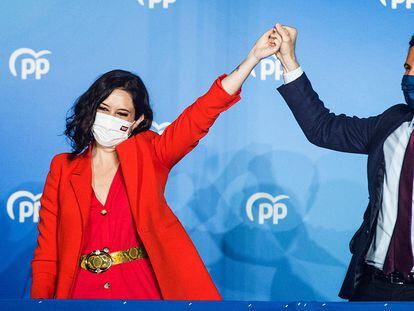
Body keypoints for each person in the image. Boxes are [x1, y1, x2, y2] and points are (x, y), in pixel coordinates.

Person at [30, 25, 283, 300]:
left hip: (141, 290)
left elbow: (199, 116)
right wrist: (38, 306)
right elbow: (47, 254)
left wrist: (251, 60)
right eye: (103, 109)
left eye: (121, 113)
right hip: (80, 294)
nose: (109, 118)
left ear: (136, 120)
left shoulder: (151, 152)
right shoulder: (62, 167)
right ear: (90, 111)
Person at [273, 23, 414, 301]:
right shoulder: (391, 122)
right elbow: (322, 128)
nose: (405, 76)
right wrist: (289, 60)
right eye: (406, 68)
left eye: (411, 70)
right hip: (374, 285)